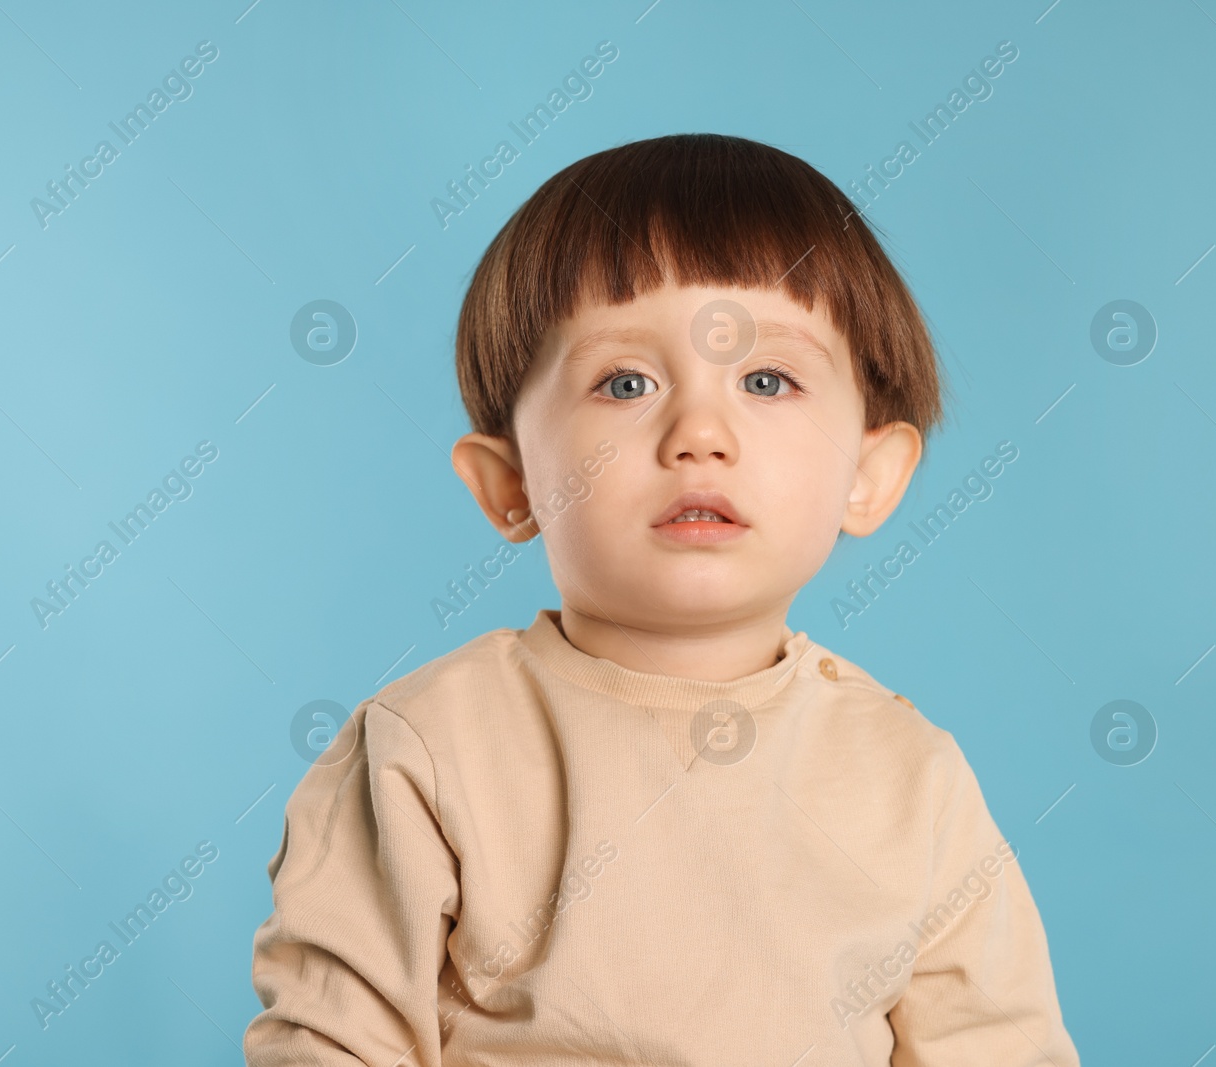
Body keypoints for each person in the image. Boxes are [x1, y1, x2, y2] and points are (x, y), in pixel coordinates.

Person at [243, 132, 1081, 1065]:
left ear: (870, 475)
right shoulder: (424, 752)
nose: (700, 433)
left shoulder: (911, 778)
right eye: (625, 382)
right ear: (510, 482)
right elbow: (330, 1045)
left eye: (767, 379)